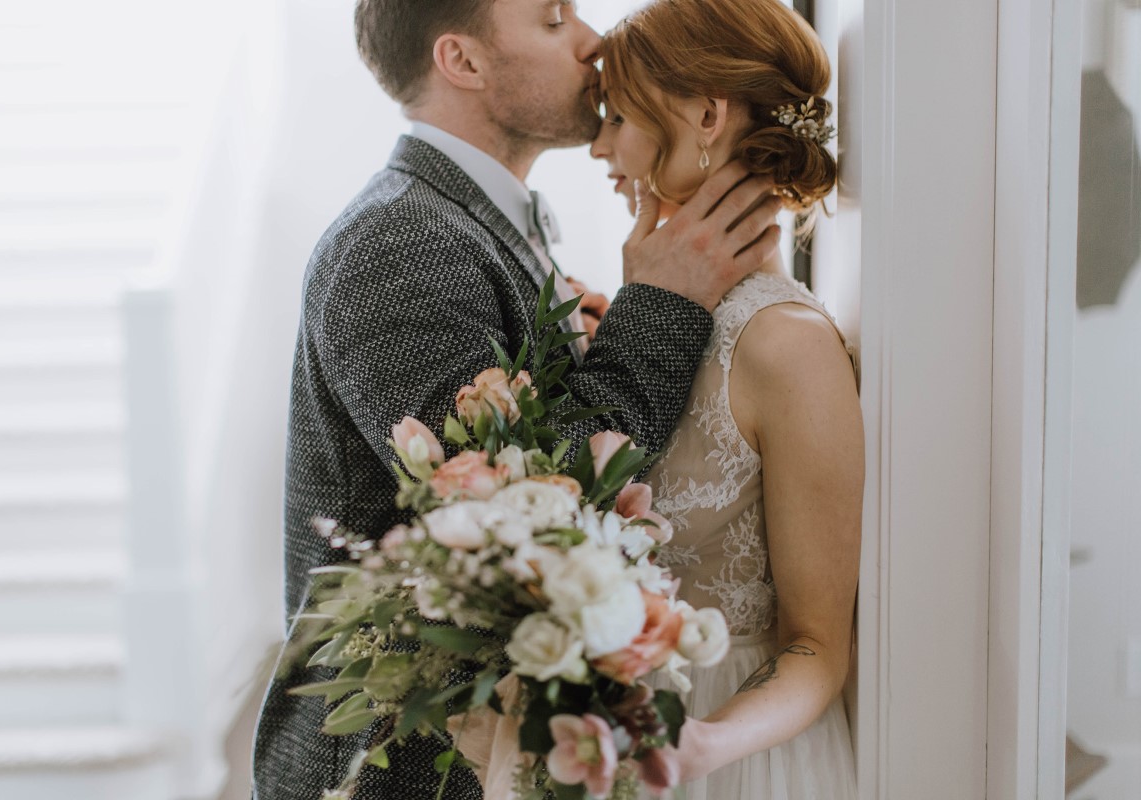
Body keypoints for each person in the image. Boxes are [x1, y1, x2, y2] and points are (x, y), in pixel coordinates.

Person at [249, 0, 785, 797]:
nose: (593, 39)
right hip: (404, 769)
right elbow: (528, 504)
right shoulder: (399, 241)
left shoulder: (469, 222)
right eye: (552, 18)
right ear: (462, 61)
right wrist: (660, 306)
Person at [590, 0, 862, 796]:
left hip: (732, 756)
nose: (600, 145)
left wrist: (703, 746)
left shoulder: (787, 345)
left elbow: (817, 648)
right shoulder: (651, 308)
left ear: (706, 115)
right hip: (620, 734)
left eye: (616, 116)